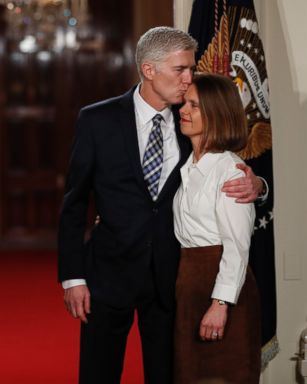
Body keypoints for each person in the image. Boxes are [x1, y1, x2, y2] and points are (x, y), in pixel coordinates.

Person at [58, 27, 264, 384]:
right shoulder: (97, 120)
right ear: (149, 70)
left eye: (191, 70)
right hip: (108, 274)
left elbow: (228, 168)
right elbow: (74, 203)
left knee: (169, 375)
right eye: (180, 69)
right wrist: (72, 278)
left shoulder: (195, 123)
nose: (188, 79)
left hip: (173, 282)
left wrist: (259, 185)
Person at [173, 73, 262, 384]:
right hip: (190, 285)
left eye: (194, 106)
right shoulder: (189, 166)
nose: (183, 110)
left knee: (224, 377)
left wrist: (220, 303)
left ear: (216, 113)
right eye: (185, 102)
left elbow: (237, 246)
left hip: (222, 288)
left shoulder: (230, 170)